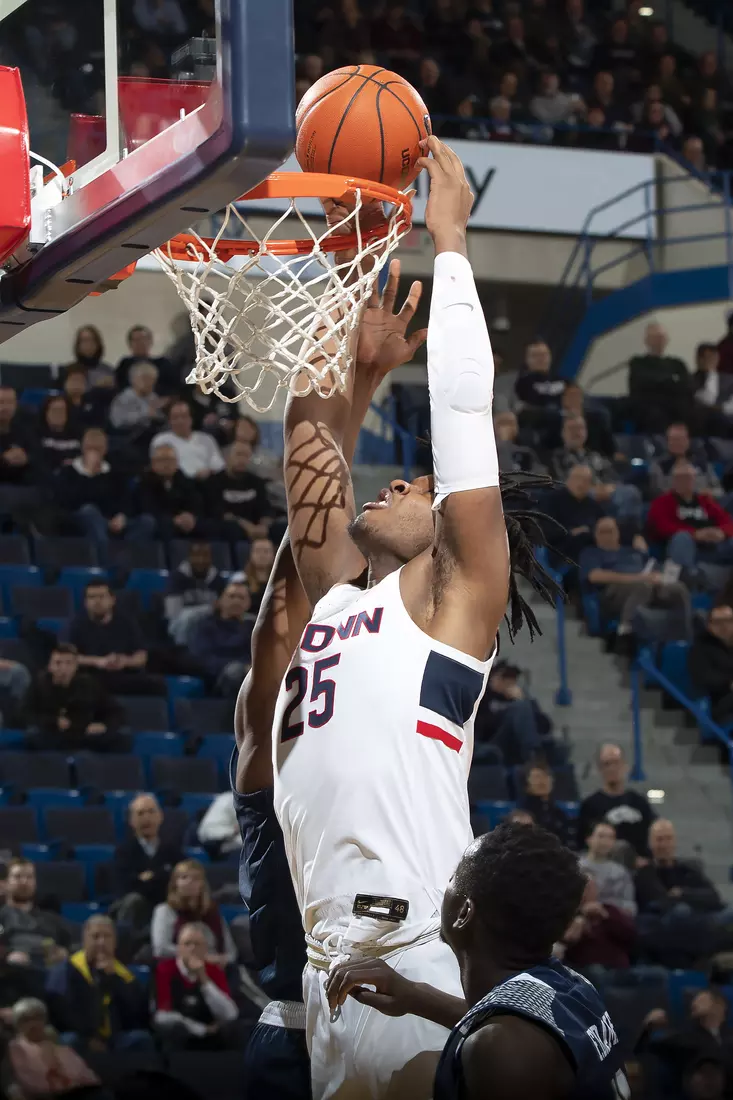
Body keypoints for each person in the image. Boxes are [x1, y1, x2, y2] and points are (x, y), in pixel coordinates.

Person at [274, 137, 563, 1100]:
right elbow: (308, 447)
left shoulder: (456, 600)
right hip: (332, 971)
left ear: (447, 521)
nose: (394, 480)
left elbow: (464, 415)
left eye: (417, 484)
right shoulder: (342, 597)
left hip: (413, 949)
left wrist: (449, 243)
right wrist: (343, 266)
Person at [231, 262, 418, 1098]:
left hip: (397, 1010)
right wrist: (359, 380)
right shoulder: (288, 705)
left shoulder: (415, 657)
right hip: (300, 1030)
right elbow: (289, 598)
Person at [325, 823, 628, 1100]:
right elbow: (508, 1022)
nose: (445, 884)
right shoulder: (572, 986)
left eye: (454, 877)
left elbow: (503, 1040)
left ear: (463, 913)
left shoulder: (500, 1051)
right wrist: (414, 996)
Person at [579, 515, 691, 647]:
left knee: (678, 588)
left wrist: (658, 577)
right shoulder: (591, 553)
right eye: (602, 532)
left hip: (648, 586)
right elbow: (594, 576)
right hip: (613, 593)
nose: (606, 535)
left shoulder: (632, 551)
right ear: (595, 535)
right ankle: (625, 634)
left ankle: (684, 637)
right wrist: (638, 577)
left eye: (610, 531)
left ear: (618, 533)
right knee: (642, 585)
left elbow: (652, 568)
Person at [45, 915, 152, 1053]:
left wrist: (114, 981)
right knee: (70, 1041)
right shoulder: (67, 970)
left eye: (107, 936)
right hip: (80, 1036)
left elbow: (137, 1016)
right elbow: (62, 1013)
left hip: (114, 1040)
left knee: (141, 1039)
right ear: (84, 940)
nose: (101, 942)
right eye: (95, 936)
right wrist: (89, 1038)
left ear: (115, 942)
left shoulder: (124, 976)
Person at [23, 643, 128, 753]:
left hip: (84, 735)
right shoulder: (39, 684)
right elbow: (24, 713)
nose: (63, 668)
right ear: (50, 666)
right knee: (34, 736)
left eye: (69, 663)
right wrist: (52, 721)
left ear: (76, 666)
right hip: (52, 734)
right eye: (58, 663)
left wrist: (103, 725)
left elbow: (116, 711)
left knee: (122, 736)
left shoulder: (88, 684)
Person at [56, 429, 155, 545]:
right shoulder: (69, 471)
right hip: (80, 519)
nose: (94, 453)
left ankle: (127, 557)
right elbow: (70, 501)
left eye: (98, 449)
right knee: (90, 511)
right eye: (90, 448)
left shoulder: (114, 472)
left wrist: (121, 515)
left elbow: (126, 499)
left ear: (105, 449)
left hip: (111, 520)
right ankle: (103, 558)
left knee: (147, 522)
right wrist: (89, 473)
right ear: (82, 448)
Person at [153, 922, 241, 1051]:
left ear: (206, 949)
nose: (192, 948)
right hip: (182, 1031)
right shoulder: (164, 970)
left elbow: (230, 1013)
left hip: (211, 1031)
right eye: (187, 944)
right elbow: (162, 1015)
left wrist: (204, 979)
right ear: (179, 948)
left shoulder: (214, 971)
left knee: (235, 1029)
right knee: (171, 1028)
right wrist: (201, 1029)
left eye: (197, 944)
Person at [69, 581, 167, 696]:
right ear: (85, 602)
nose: (97, 601)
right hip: (92, 676)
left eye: (101, 596)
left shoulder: (127, 622)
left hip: (123, 675)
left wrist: (125, 661)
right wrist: (99, 662)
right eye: (91, 597)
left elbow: (141, 656)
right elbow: (69, 657)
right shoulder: (75, 625)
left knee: (158, 685)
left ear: (112, 600)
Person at [5, 997, 110, 1100]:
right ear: (18, 1025)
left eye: (38, 1018)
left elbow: (79, 1069)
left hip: (79, 1090)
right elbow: (29, 1080)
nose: (34, 1024)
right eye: (26, 1020)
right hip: (51, 1095)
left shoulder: (55, 1040)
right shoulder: (17, 1047)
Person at [550, 415, 642, 524]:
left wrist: (608, 488)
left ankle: (621, 532)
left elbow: (614, 479)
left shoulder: (595, 456)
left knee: (631, 492)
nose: (576, 432)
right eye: (572, 428)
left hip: (606, 495)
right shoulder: (556, 457)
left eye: (580, 428)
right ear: (563, 433)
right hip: (577, 496)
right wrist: (591, 489)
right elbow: (559, 484)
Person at [635, 819, 731, 922]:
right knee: (681, 912)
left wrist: (682, 893)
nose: (664, 844)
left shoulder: (687, 868)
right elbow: (662, 901)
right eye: (659, 839)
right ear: (650, 844)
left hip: (701, 919)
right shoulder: (646, 872)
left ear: (674, 841)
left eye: (669, 838)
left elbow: (713, 896)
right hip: (665, 923)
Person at [112, 794, 183, 928]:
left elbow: (176, 884)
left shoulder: (173, 850)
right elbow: (125, 888)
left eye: (151, 811)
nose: (146, 818)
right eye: (140, 813)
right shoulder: (123, 852)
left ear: (160, 816)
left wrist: (147, 879)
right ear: (131, 821)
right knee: (133, 901)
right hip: (136, 915)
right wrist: (161, 875)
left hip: (167, 911)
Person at [647, 460, 733, 569]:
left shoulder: (705, 501)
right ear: (673, 481)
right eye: (680, 478)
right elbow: (662, 526)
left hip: (712, 544)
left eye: (688, 477)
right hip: (684, 545)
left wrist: (722, 532)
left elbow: (726, 520)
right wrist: (695, 534)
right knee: (682, 538)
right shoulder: (662, 502)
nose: (685, 481)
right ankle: (686, 578)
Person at [151, 859, 237, 966]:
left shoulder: (212, 911)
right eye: (184, 877)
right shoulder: (164, 910)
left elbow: (231, 953)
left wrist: (222, 959)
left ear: (202, 884)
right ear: (175, 883)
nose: (189, 882)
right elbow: (161, 949)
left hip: (216, 969)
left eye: (196, 878)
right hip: (181, 970)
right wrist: (202, 958)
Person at [473, 661, 558, 766]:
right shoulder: (484, 698)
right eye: (504, 678)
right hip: (495, 743)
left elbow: (545, 726)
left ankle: (533, 757)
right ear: (493, 678)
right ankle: (533, 757)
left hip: (517, 743)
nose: (508, 682)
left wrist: (524, 699)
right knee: (520, 708)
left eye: (512, 678)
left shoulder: (521, 700)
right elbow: (483, 729)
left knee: (522, 707)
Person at [577, 742, 655, 856]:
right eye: (607, 764)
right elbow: (582, 845)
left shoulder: (640, 803)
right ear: (599, 769)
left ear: (625, 766)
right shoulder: (589, 805)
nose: (612, 768)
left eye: (616, 763)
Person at [556, 875, 636, 976]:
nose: (586, 892)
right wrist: (581, 915)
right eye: (583, 888)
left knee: (657, 974)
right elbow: (565, 941)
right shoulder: (567, 915)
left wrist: (607, 916)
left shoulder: (609, 910)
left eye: (590, 888)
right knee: (597, 972)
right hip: (586, 969)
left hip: (620, 969)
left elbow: (630, 936)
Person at [187, 580, 255, 696]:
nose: (236, 601)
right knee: (235, 672)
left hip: (249, 676)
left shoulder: (254, 628)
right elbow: (201, 659)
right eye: (231, 596)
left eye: (241, 597)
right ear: (220, 601)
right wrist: (240, 667)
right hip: (216, 679)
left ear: (248, 603)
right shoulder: (206, 626)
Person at [0, 859, 71, 969]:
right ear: (5, 883)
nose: (24, 881)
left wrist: (65, 952)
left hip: (48, 974)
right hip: (11, 974)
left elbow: (75, 944)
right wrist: (7, 955)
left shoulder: (51, 919)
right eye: (17, 877)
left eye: (29, 877)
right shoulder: (2, 917)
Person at [628, 322, 691, 432]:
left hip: (676, 406)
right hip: (650, 407)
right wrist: (671, 381)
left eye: (662, 337)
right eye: (655, 337)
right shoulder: (638, 363)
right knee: (656, 415)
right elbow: (641, 385)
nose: (659, 341)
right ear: (647, 341)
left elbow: (687, 385)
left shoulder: (677, 363)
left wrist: (665, 382)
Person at [136, 443, 206, 540]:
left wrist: (190, 515)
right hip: (161, 522)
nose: (167, 464)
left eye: (170, 460)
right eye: (162, 460)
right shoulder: (145, 482)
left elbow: (195, 502)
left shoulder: (184, 480)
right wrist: (174, 520)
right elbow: (148, 508)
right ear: (153, 463)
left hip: (185, 521)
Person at [206, 439, 272, 542]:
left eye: (246, 455)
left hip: (255, 526)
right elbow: (219, 512)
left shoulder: (256, 482)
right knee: (231, 528)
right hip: (229, 527)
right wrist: (246, 526)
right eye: (238, 454)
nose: (242, 459)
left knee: (283, 529)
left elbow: (265, 508)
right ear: (227, 457)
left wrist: (263, 526)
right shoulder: (215, 481)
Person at [164, 541, 227, 645]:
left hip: (210, 627)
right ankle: (182, 652)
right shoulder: (177, 578)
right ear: (189, 557)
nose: (201, 560)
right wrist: (209, 609)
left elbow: (223, 610)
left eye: (205, 556)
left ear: (211, 559)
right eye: (196, 556)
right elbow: (173, 615)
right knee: (186, 617)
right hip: (179, 626)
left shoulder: (217, 580)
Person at [544, 464, 605, 563]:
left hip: (592, 551)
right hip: (562, 551)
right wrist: (571, 532)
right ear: (568, 480)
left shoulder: (593, 504)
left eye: (586, 481)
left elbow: (603, 524)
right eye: (577, 478)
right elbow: (546, 532)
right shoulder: (552, 500)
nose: (581, 483)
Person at [150, 400, 225, 479]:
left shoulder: (207, 439)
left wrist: (207, 472)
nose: (180, 421)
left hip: (204, 482)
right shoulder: (160, 440)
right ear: (169, 420)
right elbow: (156, 467)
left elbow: (218, 465)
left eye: (184, 416)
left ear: (191, 419)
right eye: (175, 417)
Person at [579, 821, 637, 916]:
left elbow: (630, 906)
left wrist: (604, 909)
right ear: (589, 839)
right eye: (601, 836)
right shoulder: (575, 866)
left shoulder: (621, 872)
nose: (605, 842)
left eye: (610, 837)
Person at [648, 422, 720, 497]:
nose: (677, 443)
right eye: (673, 440)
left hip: (704, 505)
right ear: (667, 442)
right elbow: (659, 493)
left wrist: (710, 493)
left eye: (681, 439)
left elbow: (719, 490)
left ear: (688, 441)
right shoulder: (660, 466)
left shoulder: (703, 465)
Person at [689, 604, 733, 724]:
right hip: (719, 700)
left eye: (729, 621)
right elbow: (703, 678)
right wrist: (729, 683)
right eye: (718, 622)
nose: (724, 626)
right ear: (709, 625)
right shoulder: (701, 647)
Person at [518, 762, 573, 847]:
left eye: (546, 776)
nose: (542, 781)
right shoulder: (522, 813)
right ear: (527, 784)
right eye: (537, 777)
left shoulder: (559, 814)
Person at [116, 323, 179, 395]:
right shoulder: (125, 365)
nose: (140, 343)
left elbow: (173, 388)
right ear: (130, 344)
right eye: (136, 340)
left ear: (150, 341)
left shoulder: (163, 364)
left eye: (144, 339)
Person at [108, 360, 166, 433]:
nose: (149, 383)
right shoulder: (124, 398)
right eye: (145, 379)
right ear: (133, 379)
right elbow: (118, 421)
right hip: (127, 436)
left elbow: (159, 417)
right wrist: (146, 413)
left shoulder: (153, 397)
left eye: (152, 379)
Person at [37, 395, 82, 473]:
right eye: (54, 410)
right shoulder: (35, 434)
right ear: (46, 413)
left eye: (62, 410)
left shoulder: (79, 434)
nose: (58, 414)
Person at [0, 386, 35, 486]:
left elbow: (38, 457)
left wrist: (27, 458)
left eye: (10, 402)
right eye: (1, 402)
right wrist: (4, 460)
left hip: (21, 486)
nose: (5, 407)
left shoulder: (25, 430)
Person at [244, 537, 276, 613]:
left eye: (266, 551)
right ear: (250, 555)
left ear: (274, 555)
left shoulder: (281, 582)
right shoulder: (241, 580)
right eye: (257, 551)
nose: (262, 555)